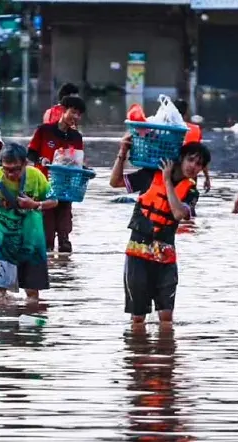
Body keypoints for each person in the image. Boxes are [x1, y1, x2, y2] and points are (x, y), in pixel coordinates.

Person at [109, 138, 211, 328]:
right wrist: (122, 153)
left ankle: (166, 355)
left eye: (199, 164)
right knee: (138, 319)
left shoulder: (191, 191)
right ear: (181, 158)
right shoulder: (150, 174)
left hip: (165, 257)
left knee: (166, 318)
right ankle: (138, 354)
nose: (193, 166)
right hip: (138, 253)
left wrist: (166, 181)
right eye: (191, 160)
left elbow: (179, 213)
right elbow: (115, 182)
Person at [0, 143, 58, 302]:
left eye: (16, 169)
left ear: (25, 164)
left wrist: (35, 205)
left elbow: (54, 201)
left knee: (32, 295)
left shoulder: (36, 176)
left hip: (31, 243)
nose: (10, 174)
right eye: (6, 169)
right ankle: (4, 324)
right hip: (3, 242)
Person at [27, 95, 86, 253]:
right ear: (63, 111)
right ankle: (48, 272)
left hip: (66, 189)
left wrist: (84, 168)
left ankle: (64, 272)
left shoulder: (76, 137)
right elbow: (30, 153)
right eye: (73, 112)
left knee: (65, 238)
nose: (75, 117)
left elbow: (77, 161)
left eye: (79, 114)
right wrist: (41, 159)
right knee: (46, 238)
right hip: (44, 187)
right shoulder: (44, 130)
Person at [173, 98, 211, 192]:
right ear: (186, 115)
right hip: (190, 176)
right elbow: (200, 156)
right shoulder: (195, 130)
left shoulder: (164, 129)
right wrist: (207, 177)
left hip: (171, 172)